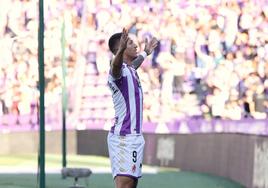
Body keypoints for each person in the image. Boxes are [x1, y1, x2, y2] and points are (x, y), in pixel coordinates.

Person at [107, 28, 158, 188]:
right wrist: (121, 50)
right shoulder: (117, 72)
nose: (135, 45)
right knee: (124, 186)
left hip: (134, 137)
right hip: (124, 138)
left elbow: (134, 64)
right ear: (120, 49)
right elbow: (115, 67)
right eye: (129, 43)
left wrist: (146, 53)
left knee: (131, 185)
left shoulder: (130, 69)